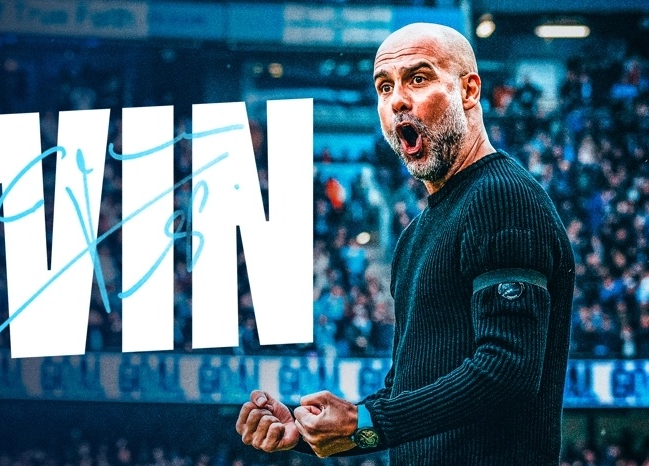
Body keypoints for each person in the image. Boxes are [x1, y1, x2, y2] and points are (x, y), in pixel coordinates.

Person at [235, 22, 575, 465]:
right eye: (385, 86)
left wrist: (369, 420)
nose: (397, 100)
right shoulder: (415, 235)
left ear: (469, 90)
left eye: (418, 78)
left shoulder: (502, 196)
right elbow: (405, 394)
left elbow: (508, 368)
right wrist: (311, 431)